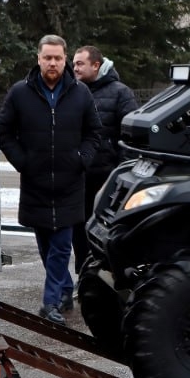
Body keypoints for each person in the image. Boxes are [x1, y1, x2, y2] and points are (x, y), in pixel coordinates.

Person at [0, 35, 102, 323]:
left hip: (70, 184)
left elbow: (94, 132)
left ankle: (50, 303)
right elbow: (3, 131)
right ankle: (66, 288)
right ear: (39, 59)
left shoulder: (80, 93)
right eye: (48, 58)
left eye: (58, 58)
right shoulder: (20, 93)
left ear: (65, 59)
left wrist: (82, 159)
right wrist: (22, 161)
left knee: (61, 245)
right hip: (36, 183)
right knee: (45, 246)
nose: (53, 63)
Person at [71, 45, 139, 268]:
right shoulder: (72, 91)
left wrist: (118, 171)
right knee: (78, 230)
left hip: (106, 179)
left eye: (80, 63)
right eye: (74, 64)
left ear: (96, 65)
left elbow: (131, 138)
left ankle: (107, 279)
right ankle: (84, 277)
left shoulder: (121, 93)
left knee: (105, 232)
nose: (75, 68)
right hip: (78, 176)